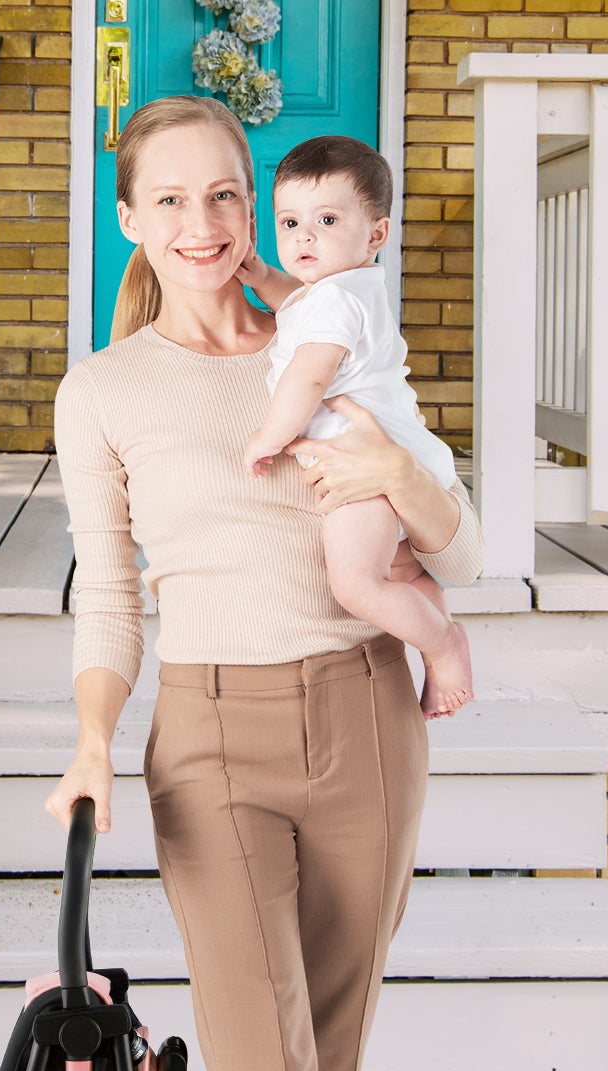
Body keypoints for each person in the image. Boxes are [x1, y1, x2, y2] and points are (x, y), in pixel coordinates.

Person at [45, 94, 485, 1071]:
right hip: (212, 745)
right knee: (266, 1062)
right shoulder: (106, 388)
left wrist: (399, 477)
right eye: (170, 202)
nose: (204, 227)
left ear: (259, 206)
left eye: (226, 196)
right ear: (129, 220)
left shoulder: (339, 334)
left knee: (332, 1057)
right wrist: (95, 740)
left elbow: (455, 538)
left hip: (365, 716)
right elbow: (108, 592)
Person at [240, 136, 473, 720]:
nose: (304, 237)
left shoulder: (334, 303)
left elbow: (309, 376)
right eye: (289, 222)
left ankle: (444, 646)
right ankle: (440, 641)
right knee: (403, 570)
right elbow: (295, 301)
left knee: (357, 585)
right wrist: (263, 274)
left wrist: (269, 437)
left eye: (326, 219)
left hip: (363, 469)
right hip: (399, 456)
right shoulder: (347, 290)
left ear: (376, 234)